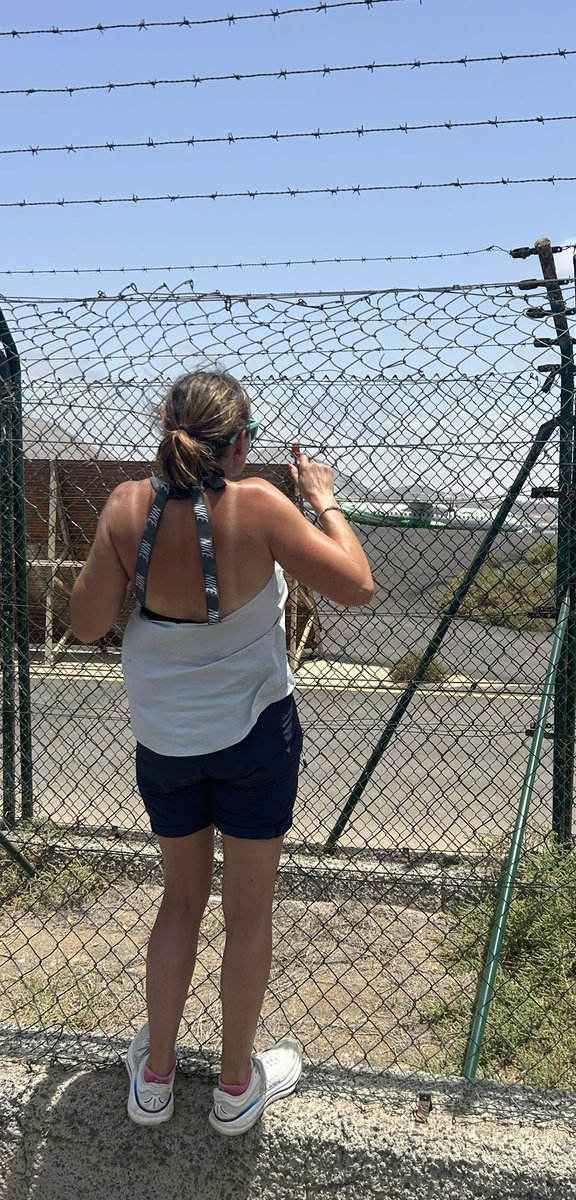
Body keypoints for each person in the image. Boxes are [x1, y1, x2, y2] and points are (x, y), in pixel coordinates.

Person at [69, 370, 373, 1134]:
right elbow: (358, 586)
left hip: (165, 744)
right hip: (255, 740)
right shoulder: (261, 506)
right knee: (248, 911)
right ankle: (236, 1088)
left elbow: (85, 623)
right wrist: (322, 497)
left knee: (180, 901)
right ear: (240, 443)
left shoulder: (124, 508)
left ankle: (157, 1078)